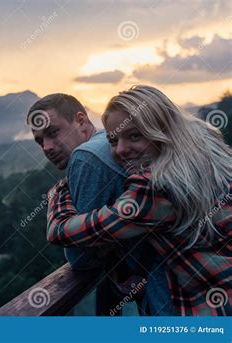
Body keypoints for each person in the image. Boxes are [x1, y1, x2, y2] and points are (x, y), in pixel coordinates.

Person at [46, 85, 232, 315]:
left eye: (134, 135)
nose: (121, 149)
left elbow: (62, 231)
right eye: (113, 141)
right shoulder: (209, 157)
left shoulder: (155, 188)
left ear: (162, 130)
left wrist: (59, 192)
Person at [28, 93, 143, 315]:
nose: (47, 147)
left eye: (53, 132)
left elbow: (80, 258)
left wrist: (57, 196)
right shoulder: (105, 142)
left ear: (81, 120)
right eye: (40, 140)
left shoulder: (86, 157)